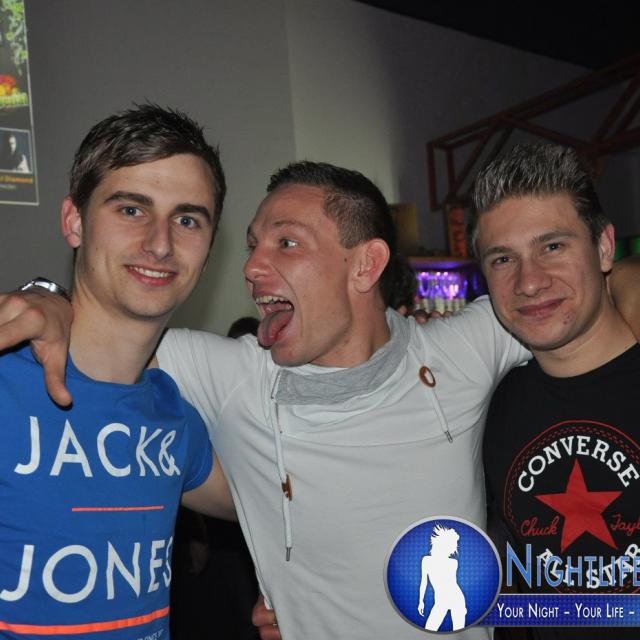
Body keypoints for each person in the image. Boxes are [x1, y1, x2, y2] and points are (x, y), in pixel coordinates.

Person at [3, 160, 639, 640]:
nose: (252, 267)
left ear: (365, 266)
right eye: (252, 244)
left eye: (285, 243)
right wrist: (46, 295)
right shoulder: (226, 373)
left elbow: (580, 293)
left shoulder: (466, 348)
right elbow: (108, 327)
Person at [0, 104, 234, 638]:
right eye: (131, 209)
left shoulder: (176, 418)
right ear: (74, 221)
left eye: (187, 219)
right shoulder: (7, 381)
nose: (160, 243)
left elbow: (279, 512)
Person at [472, 143, 639, 640]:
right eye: (504, 258)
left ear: (604, 248)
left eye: (552, 247)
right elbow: (535, 599)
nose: (528, 282)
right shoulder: (490, 408)